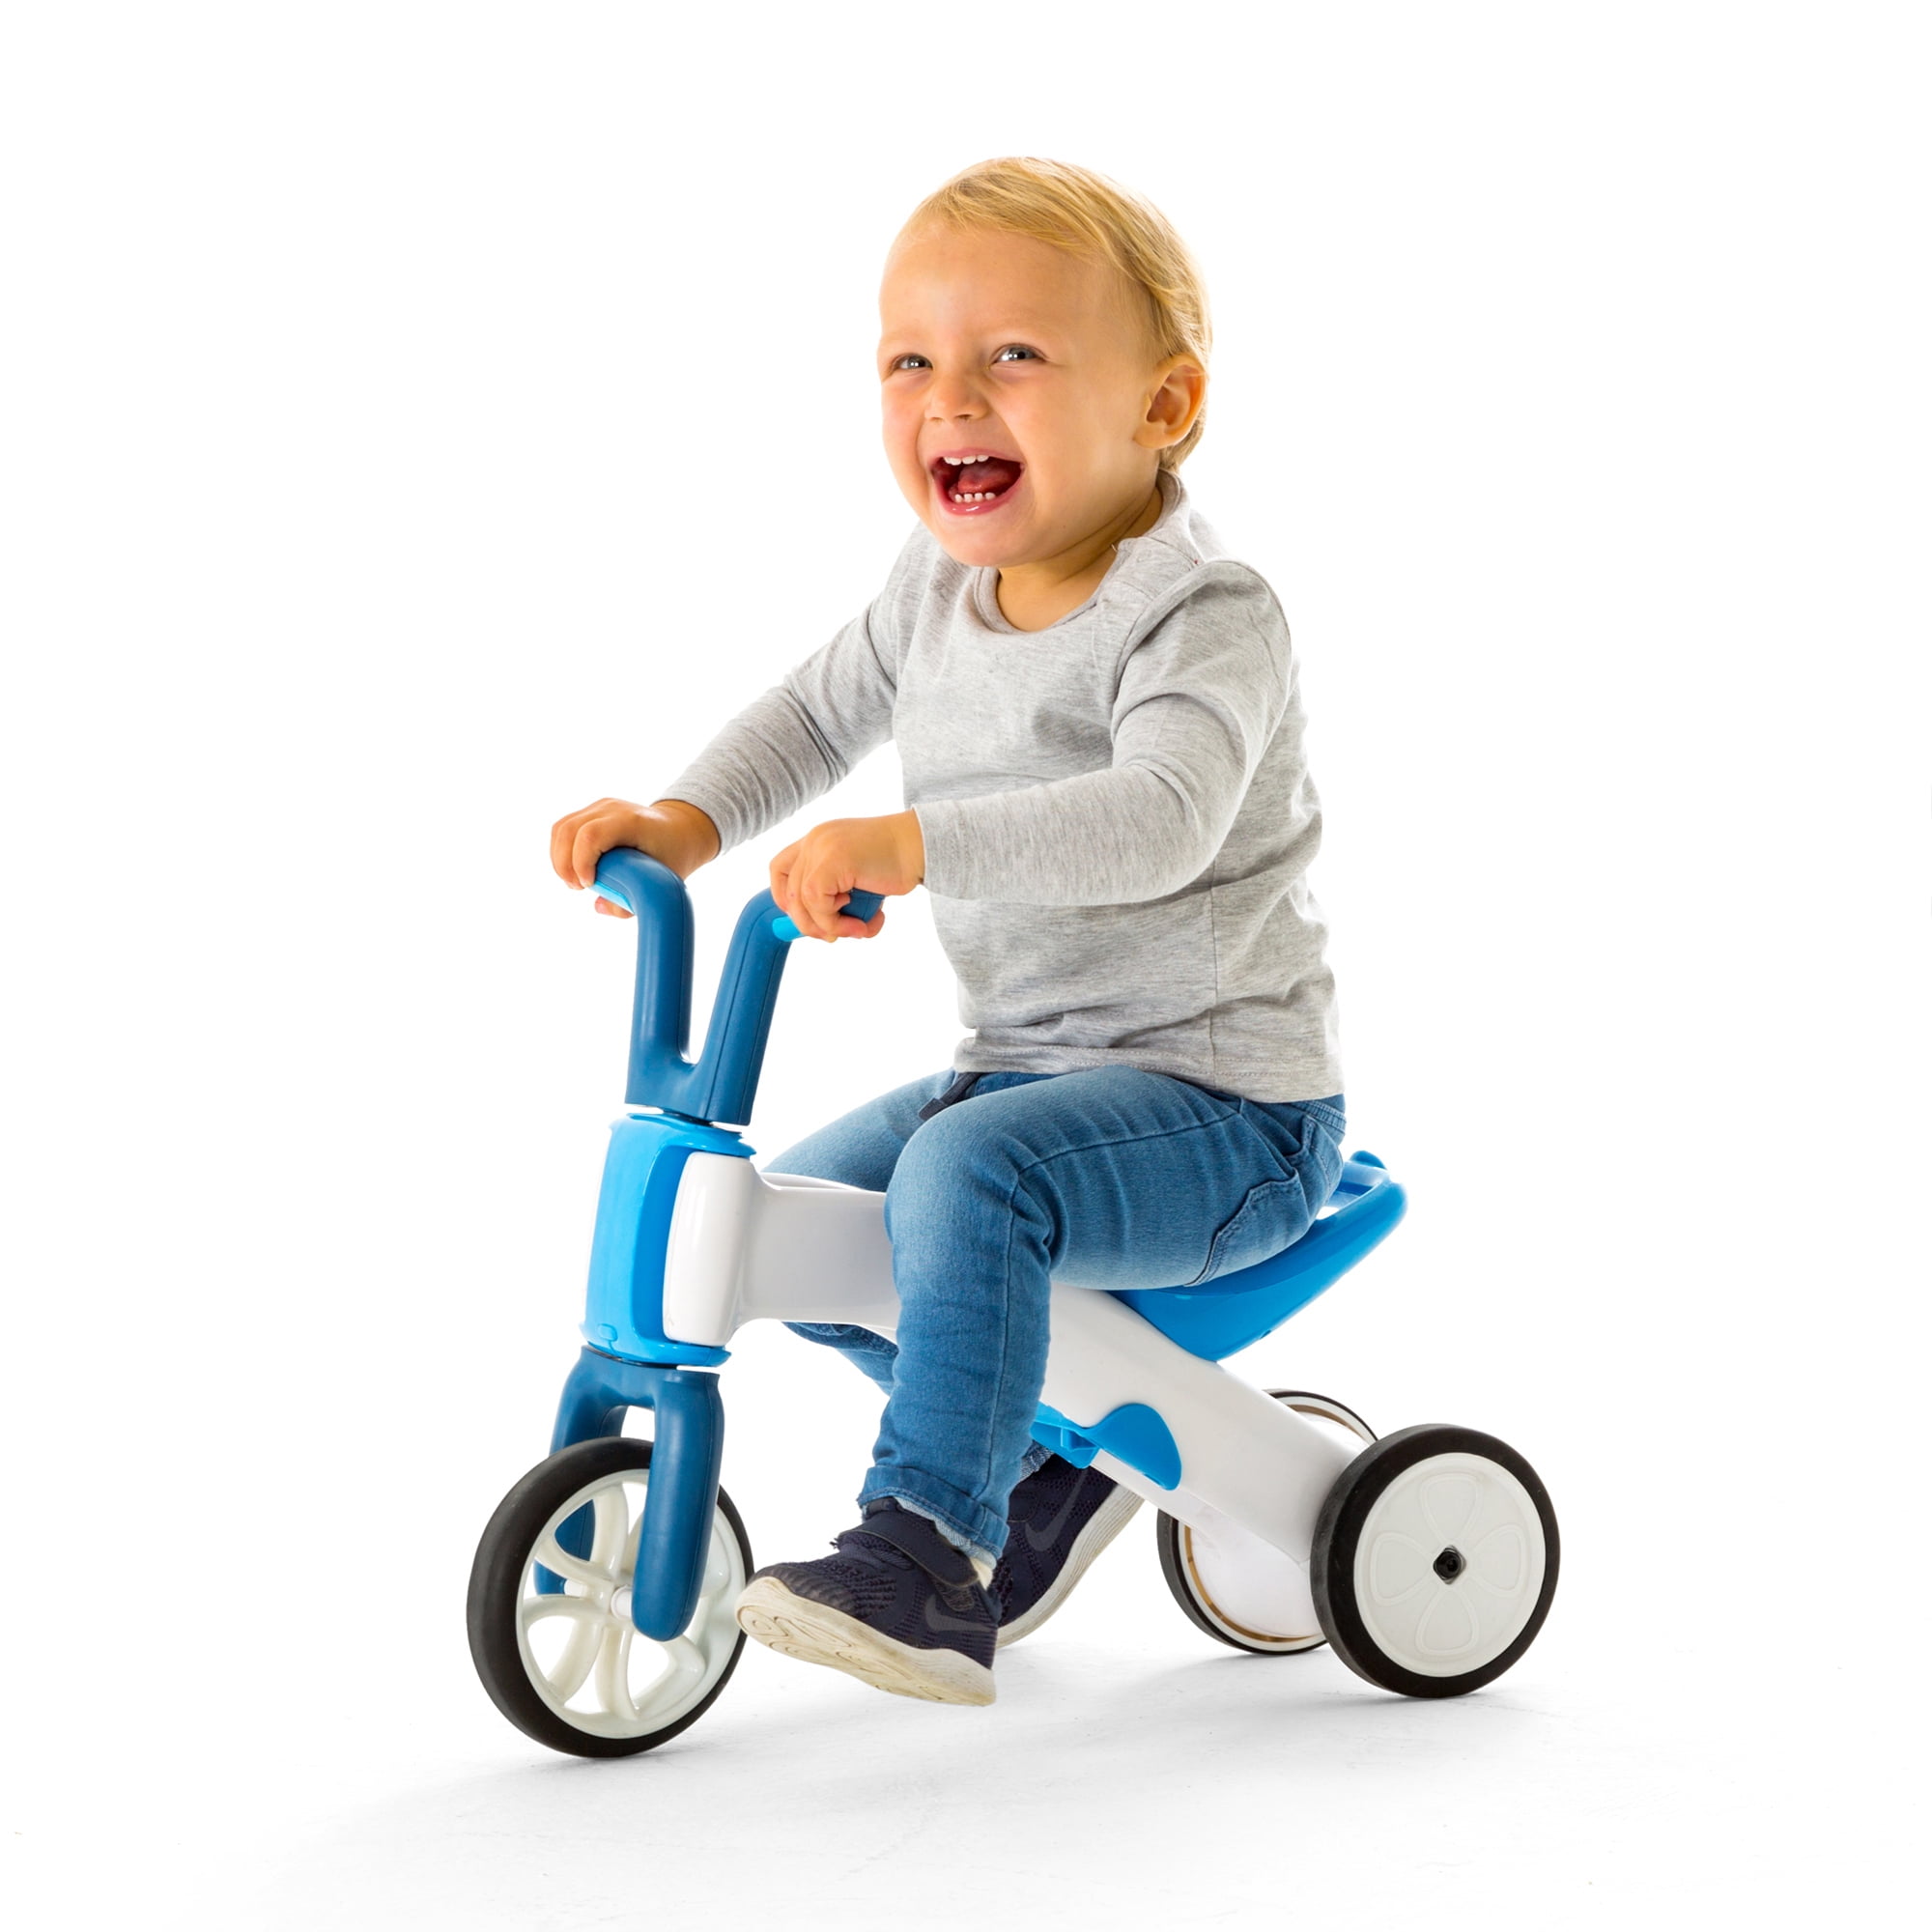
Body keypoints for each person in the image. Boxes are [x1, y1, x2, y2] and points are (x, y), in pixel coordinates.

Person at [547, 156, 1345, 1708]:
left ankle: (929, 1554)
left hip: (1228, 1112)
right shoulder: (934, 585)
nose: (950, 400)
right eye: (910, 362)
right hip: (1028, 1073)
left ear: (1166, 405)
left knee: (964, 1178)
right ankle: (1040, 1465)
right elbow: (815, 713)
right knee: (807, 1222)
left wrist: (915, 846)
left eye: (1014, 356)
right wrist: (687, 822)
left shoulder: (1202, 614)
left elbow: (1163, 817)